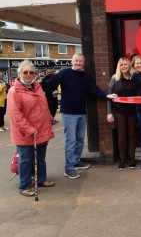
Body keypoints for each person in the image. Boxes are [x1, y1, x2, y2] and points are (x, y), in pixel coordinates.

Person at [40, 53, 117, 179]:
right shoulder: (64, 73)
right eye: (76, 61)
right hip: (69, 114)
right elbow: (49, 83)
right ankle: (69, 167)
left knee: (80, 140)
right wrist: (33, 84)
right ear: (72, 61)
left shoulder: (86, 77)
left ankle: (75, 161)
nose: (78, 63)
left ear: (84, 63)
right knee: (71, 141)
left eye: (81, 61)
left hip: (82, 113)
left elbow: (94, 90)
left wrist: (107, 95)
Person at [7, 60, 55, 196]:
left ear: (35, 74)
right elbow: (15, 114)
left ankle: (41, 179)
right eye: (25, 72)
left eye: (31, 72)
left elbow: (42, 106)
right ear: (19, 73)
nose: (28, 75)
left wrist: (49, 118)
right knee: (25, 160)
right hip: (25, 133)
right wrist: (29, 129)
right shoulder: (14, 91)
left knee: (40, 158)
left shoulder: (37, 86)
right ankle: (24, 185)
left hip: (41, 130)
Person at [107, 57, 137, 171]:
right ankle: (122, 159)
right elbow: (109, 97)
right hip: (119, 111)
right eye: (121, 65)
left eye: (126, 64)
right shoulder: (115, 79)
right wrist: (109, 112)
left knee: (132, 135)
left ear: (129, 66)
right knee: (121, 135)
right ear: (119, 67)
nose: (124, 66)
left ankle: (132, 158)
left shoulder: (134, 78)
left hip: (132, 111)